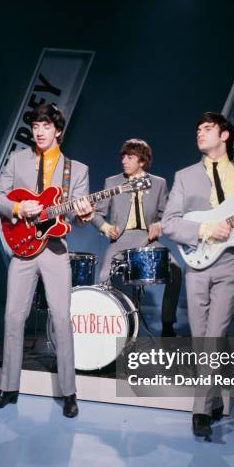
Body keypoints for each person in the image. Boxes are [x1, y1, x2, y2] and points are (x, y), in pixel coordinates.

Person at [0, 103, 93, 418]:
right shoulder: (17, 160)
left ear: (57, 130)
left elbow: (78, 216)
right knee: (13, 317)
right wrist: (19, 209)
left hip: (54, 249)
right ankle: (8, 388)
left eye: (46, 126)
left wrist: (85, 213)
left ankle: (69, 392)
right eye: (35, 125)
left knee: (61, 318)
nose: (39, 131)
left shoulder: (77, 169)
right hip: (21, 247)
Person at [161, 112, 234, 437]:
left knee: (215, 334)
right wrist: (206, 227)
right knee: (199, 336)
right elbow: (169, 224)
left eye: (207, 129)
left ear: (225, 135)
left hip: (232, 263)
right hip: (197, 263)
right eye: (197, 129)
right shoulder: (185, 176)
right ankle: (215, 399)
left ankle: (199, 411)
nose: (199, 134)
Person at [90, 138, 181, 336]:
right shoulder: (112, 182)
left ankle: (167, 324)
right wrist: (104, 226)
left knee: (175, 269)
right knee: (104, 275)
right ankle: (111, 329)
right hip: (121, 239)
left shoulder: (158, 183)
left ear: (142, 161)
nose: (124, 161)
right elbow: (96, 213)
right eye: (123, 156)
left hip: (148, 239)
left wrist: (159, 224)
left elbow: (168, 214)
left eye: (130, 157)